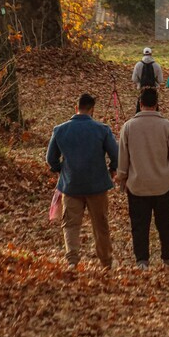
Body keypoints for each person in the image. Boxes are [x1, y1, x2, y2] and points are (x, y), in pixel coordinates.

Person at [46, 93, 118, 269]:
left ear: (75, 108)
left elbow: (50, 158)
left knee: (70, 223)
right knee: (100, 224)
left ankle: (72, 259)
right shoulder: (102, 130)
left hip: (71, 184)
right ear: (92, 110)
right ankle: (106, 260)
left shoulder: (60, 130)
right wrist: (112, 170)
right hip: (97, 184)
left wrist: (60, 169)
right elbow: (116, 155)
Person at [117, 86, 169, 270]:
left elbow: (123, 157)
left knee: (139, 225)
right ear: (157, 104)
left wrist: (122, 178)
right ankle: (168, 258)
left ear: (140, 103)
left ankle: (142, 260)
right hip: (163, 183)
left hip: (137, 184)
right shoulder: (168, 126)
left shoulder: (128, 126)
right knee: (166, 224)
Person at [132, 46, 164, 112]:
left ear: (143, 54)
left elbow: (134, 79)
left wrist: (139, 83)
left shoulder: (138, 65)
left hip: (142, 90)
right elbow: (160, 80)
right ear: (151, 54)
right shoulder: (157, 65)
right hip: (153, 91)